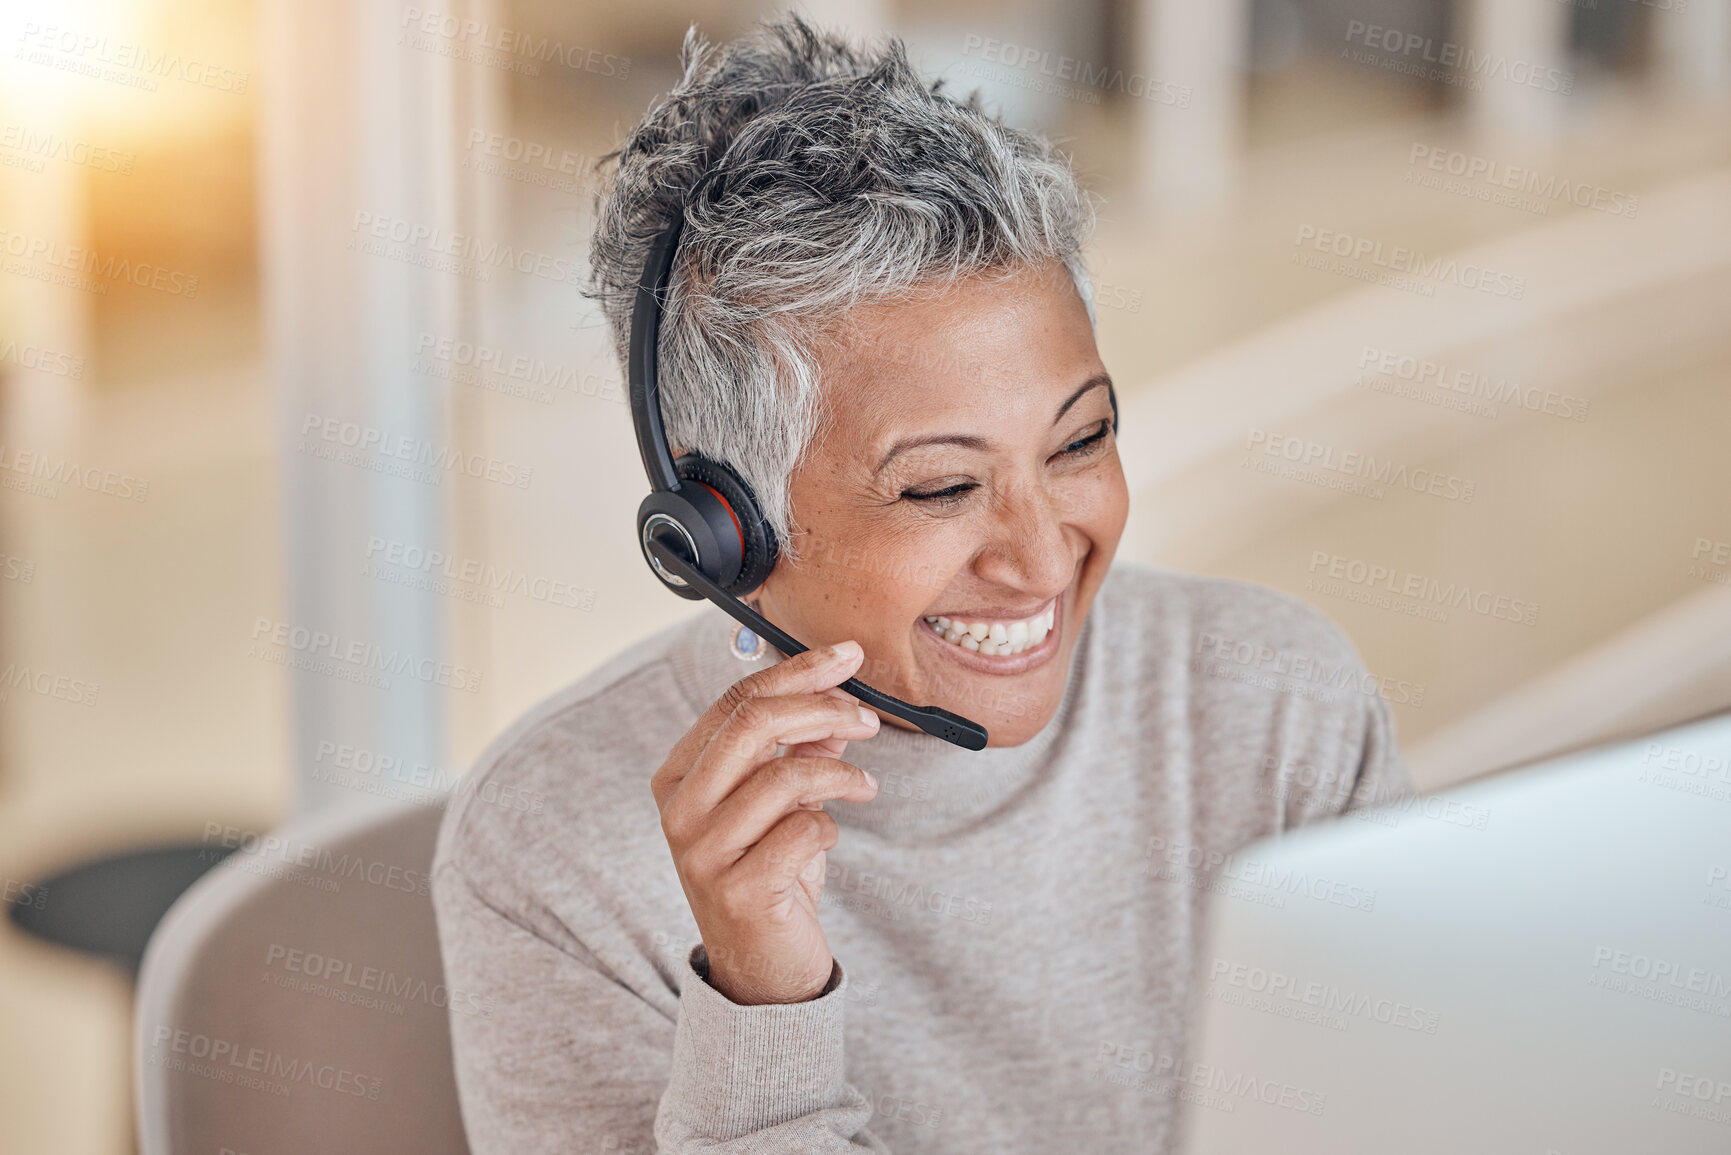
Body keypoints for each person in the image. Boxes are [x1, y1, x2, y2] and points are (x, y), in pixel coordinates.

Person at [431, 13, 1413, 1153]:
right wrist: (763, 1002)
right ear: (721, 533)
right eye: (943, 489)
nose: (1044, 560)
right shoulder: (554, 855)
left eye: (1080, 441)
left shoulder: (1277, 706)